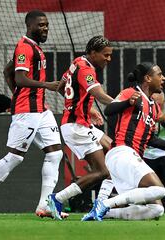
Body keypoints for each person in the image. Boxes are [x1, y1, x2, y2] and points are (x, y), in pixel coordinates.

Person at [0, 10, 64, 220]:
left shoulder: (34, 47)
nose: (45, 28)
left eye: (46, 24)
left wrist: (20, 95)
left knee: (55, 153)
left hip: (41, 109)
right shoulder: (24, 46)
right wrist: (45, 86)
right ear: (29, 26)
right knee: (14, 157)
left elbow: (6, 70)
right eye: (40, 25)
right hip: (27, 111)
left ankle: (44, 205)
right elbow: (19, 78)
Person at [81, 62, 165, 221]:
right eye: (159, 74)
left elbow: (151, 140)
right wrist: (128, 103)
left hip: (133, 157)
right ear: (148, 78)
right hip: (122, 152)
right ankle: (105, 204)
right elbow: (109, 110)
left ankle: (106, 213)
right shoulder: (131, 93)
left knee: (156, 209)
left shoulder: (154, 108)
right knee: (159, 190)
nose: (164, 78)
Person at [47, 36, 114, 220]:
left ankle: (99, 205)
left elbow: (61, 87)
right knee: (103, 171)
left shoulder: (77, 62)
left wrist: (85, 107)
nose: (108, 59)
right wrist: (122, 103)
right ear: (93, 53)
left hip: (79, 123)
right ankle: (58, 198)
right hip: (77, 127)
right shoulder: (85, 69)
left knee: (115, 151)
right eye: (105, 55)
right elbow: (99, 95)